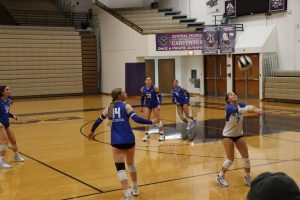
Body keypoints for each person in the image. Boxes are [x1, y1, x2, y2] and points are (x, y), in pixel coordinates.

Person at [88, 88, 157, 200]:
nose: (126, 93)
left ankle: (127, 194)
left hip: (117, 141)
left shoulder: (109, 108)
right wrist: (151, 122)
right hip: (129, 139)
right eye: (124, 92)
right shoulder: (126, 106)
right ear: (119, 96)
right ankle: (135, 188)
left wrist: (92, 131)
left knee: (120, 169)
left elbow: (98, 121)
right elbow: (137, 119)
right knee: (131, 164)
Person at [216, 91, 262, 187]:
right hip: (228, 135)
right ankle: (220, 176)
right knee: (230, 159)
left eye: (234, 93)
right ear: (228, 99)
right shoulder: (229, 107)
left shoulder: (240, 105)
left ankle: (248, 178)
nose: (234, 94)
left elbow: (249, 107)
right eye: (231, 94)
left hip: (239, 135)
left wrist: (256, 109)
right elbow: (240, 111)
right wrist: (251, 109)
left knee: (246, 158)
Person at [0, 85, 25, 169]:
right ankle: (1, 161)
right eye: (7, 89)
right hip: (0, 125)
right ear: (2, 92)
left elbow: (6, 112)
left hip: (6, 124)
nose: (9, 91)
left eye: (9, 89)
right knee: (5, 142)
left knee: (13, 141)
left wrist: (13, 115)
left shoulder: (8, 101)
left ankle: (16, 156)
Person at [140, 77, 165, 142]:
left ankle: (161, 134)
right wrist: (142, 106)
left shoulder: (155, 88)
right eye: (147, 80)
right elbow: (142, 98)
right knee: (146, 120)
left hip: (155, 105)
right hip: (148, 105)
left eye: (149, 80)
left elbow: (159, 96)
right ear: (145, 81)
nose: (148, 81)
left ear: (151, 81)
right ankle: (146, 134)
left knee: (158, 119)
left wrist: (159, 104)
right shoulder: (143, 88)